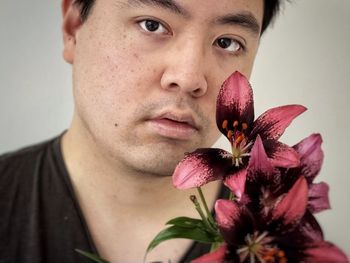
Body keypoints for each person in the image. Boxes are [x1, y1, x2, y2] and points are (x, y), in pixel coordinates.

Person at [0, 0, 282, 262]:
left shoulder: (280, 235)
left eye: (227, 42)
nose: (188, 79)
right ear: (73, 27)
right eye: (152, 25)